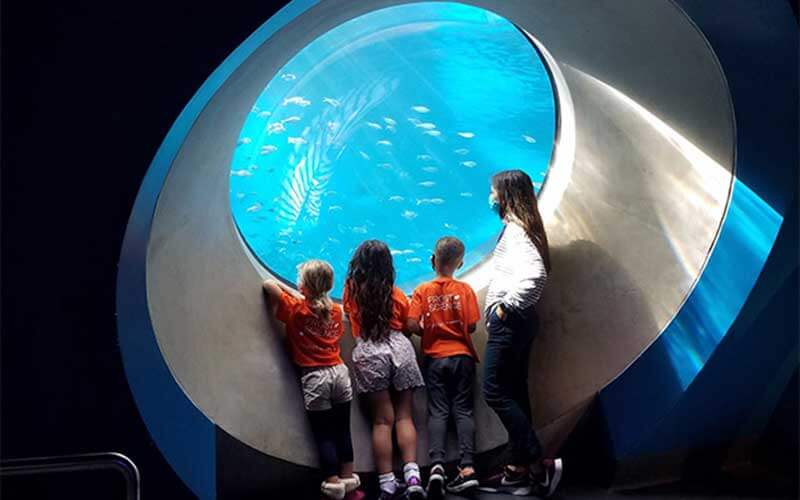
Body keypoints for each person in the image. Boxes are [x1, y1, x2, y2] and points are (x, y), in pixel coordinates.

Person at [479, 170, 563, 497]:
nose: (491, 197)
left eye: (493, 191)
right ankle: (518, 470)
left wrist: (505, 308)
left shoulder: (516, 231)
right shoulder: (526, 228)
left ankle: (539, 462)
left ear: (506, 195)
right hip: (522, 323)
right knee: (515, 392)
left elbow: (535, 276)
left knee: (494, 390)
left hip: (511, 323)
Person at [262, 260, 363, 500]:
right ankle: (349, 480)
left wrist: (296, 293)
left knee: (324, 434)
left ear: (304, 286)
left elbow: (268, 285)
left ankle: (332, 482)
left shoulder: (296, 308)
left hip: (314, 376)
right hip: (339, 372)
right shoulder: (336, 312)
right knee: (342, 431)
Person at [342, 240, 426, 500]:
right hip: (401, 348)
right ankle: (413, 477)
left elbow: (348, 311)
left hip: (369, 352)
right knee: (404, 417)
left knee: (382, 420)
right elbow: (403, 324)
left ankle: (387, 482)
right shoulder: (397, 294)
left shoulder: (351, 291)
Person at [407, 236, 481, 499]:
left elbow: (411, 324)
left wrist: (428, 331)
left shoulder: (422, 290)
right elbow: (472, 325)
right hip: (462, 356)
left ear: (432, 260)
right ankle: (468, 467)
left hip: (435, 358)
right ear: (460, 264)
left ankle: (436, 465)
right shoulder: (466, 290)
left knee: (437, 411)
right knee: (463, 410)